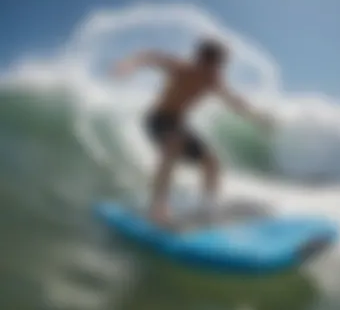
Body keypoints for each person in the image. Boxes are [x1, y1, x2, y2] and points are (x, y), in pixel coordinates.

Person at [111, 38, 272, 227]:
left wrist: (258, 118)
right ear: (202, 60)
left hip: (178, 124)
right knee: (173, 145)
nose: (219, 69)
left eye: (221, 65)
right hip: (158, 119)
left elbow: (234, 101)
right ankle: (157, 206)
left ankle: (207, 208)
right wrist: (127, 65)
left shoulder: (212, 80)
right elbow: (150, 56)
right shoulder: (182, 68)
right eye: (216, 64)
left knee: (212, 163)